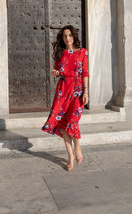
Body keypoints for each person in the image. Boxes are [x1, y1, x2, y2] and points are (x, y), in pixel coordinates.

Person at [41, 25, 89, 171]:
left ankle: (78, 148)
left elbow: (85, 73)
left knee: (72, 122)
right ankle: (70, 156)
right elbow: (57, 70)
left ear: (74, 36)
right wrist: (55, 73)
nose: (67, 38)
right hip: (62, 91)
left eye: (69, 35)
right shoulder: (59, 52)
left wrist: (86, 91)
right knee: (62, 125)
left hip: (77, 91)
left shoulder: (82, 52)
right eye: (64, 36)